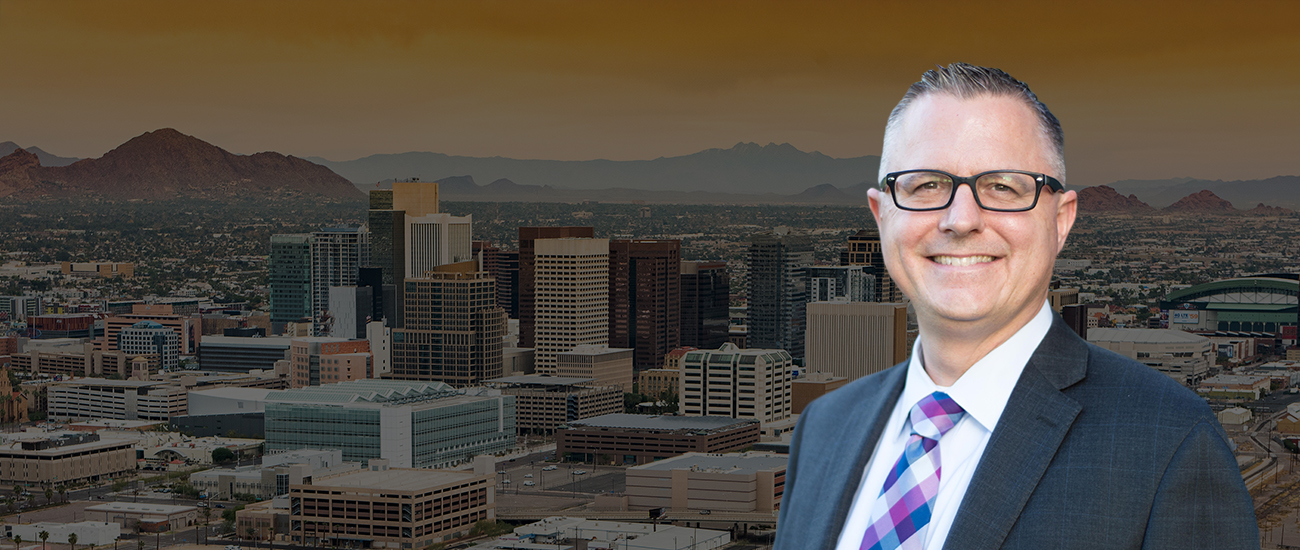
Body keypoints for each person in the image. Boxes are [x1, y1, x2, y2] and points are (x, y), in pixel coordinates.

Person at [774, 63, 1257, 550]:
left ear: (1061, 220)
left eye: (1003, 187)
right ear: (882, 216)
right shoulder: (825, 428)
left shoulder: (1170, 442)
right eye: (926, 186)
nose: (960, 220)